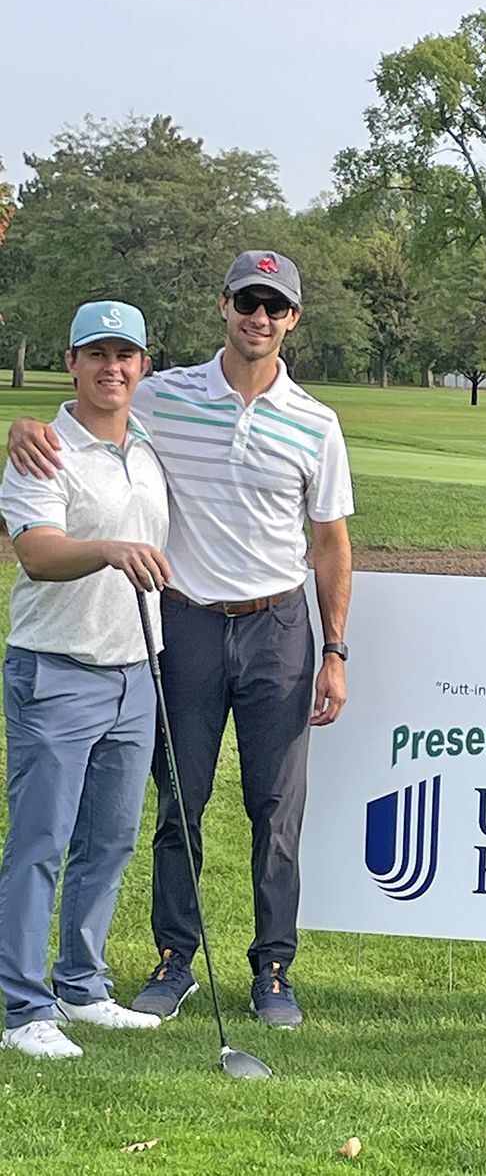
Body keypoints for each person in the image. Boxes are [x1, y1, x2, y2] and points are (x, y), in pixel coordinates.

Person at [8, 252, 354, 1029]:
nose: (258, 317)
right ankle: (173, 957)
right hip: (186, 623)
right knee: (178, 803)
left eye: (275, 305)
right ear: (223, 306)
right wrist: (22, 423)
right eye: (246, 301)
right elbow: (85, 421)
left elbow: (330, 542)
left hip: (278, 627)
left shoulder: (316, 422)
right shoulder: (164, 396)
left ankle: (273, 968)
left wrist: (335, 649)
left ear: (292, 318)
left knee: (275, 805)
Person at [0, 301, 171, 1059]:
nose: (112, 368)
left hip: (137, 670)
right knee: (40, 840)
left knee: (111, 840)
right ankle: (21, 1005)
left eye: (125, 355)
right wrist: (105, 548)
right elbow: (36, 552)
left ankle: (81, 983)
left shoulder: (148, 442)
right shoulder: (40, 450)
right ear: (70, 362)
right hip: (57, 670)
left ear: (142, 365)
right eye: (96, 354)